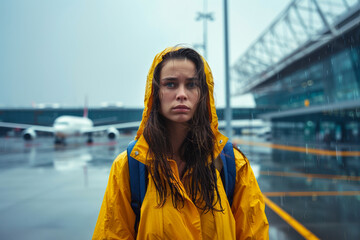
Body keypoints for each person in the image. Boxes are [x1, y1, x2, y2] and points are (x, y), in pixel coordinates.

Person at [92, 46, 269, 239]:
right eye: (170, 84)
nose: (181, 94)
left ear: (202, 95)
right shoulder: (129, 167)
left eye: (191, 85)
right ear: (155, 94)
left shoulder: (233, 164)